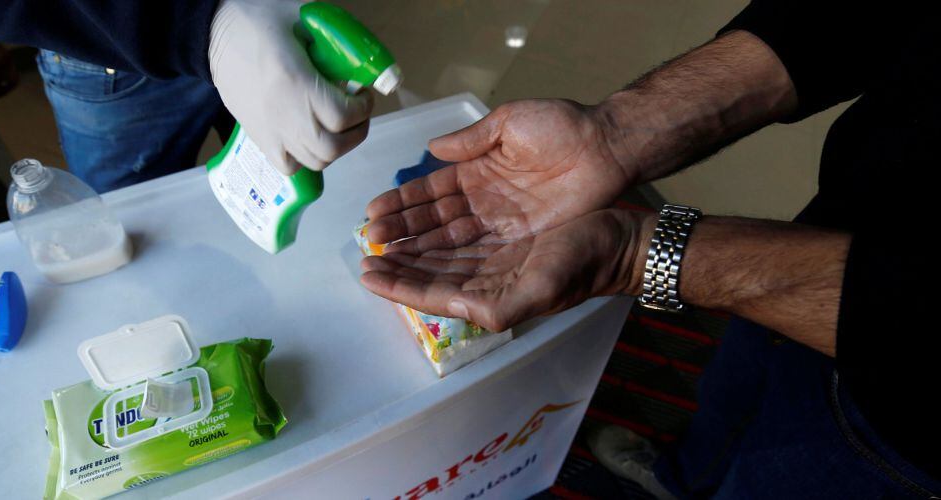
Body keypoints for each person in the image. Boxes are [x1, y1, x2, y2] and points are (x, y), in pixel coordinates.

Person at [358, 1, 938, 497]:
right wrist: (613, 132)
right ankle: (676, 478)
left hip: (908, 420)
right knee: (734, 392)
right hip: (856, 217)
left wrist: (635, 253)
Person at [0, 0, 374, 192]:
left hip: (280, 21)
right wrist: (197, 23)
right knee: (140, 234)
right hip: (115, 48)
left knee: (295, 184)